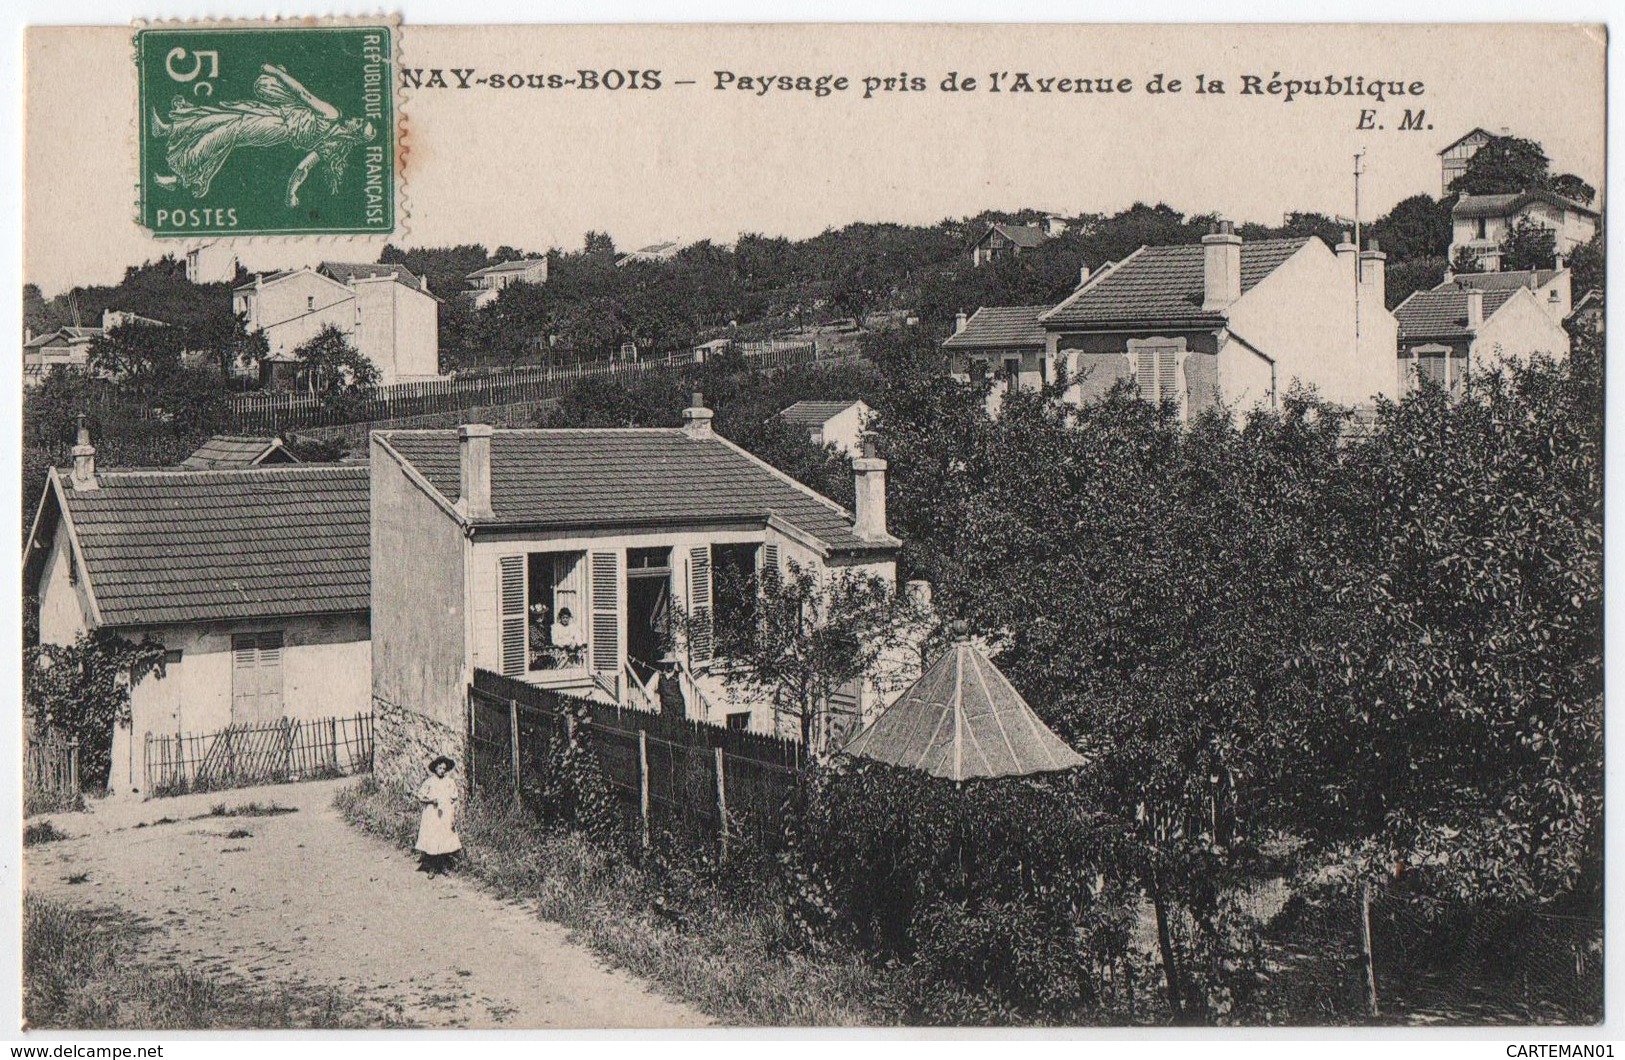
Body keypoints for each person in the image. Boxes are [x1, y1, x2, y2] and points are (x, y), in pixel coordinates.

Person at [150, 63, 376, 205]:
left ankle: (180, 174)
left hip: (277, 126)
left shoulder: (332, 115)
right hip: (276, 113)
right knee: (226, 115)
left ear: (354, 131)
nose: (356, 118)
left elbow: (303, 94)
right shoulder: (332, 144)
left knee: (230, 129)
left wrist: (275, 72)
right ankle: (170, 129)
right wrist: (291, 193)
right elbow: (302, 169)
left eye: (360, 122)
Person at [414, 755, 462, 876]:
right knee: (433, 839)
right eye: (440, 768)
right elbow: (420, 797)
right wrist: (431, 801)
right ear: (435, 768)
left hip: (445, 814)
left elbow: (454, 799)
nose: (442, 771)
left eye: (444, 769)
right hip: (432, 815)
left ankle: (444, 866)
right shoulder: (429, 782)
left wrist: (453, 817)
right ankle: (432, 867)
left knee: (444, 839)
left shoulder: (450, 783)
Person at [655, 651, 687, 719]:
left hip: (678, 710)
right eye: (667, 663)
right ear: (664, 664)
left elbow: (686, 694)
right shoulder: (659, 675)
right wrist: (655, 705)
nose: (669, 665)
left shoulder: (680, 676)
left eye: (671, 663)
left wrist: (688, 712)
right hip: (665, 710)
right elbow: (648, 689)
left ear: (674, 663)